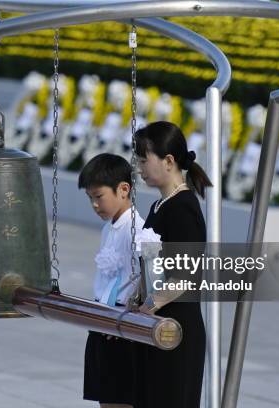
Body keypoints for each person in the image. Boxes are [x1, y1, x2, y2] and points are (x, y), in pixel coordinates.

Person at [133, 121, 211, 408]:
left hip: (176, 328)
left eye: (144, 159)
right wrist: (138, 297)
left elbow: (186, 276)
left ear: (168, 161)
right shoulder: (159, 206)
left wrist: (150, 303)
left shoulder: (184, 208)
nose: (139, 167)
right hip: (156, 324)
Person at [78, 153, 145, 408]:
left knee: (121, 400)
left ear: (123, 190)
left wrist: (129, 314)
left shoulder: (137, 229)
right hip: (103, 320)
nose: (95, 205)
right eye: (90, 198)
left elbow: (149, 275)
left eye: (99, 196)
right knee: (107, 400)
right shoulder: (108, 227)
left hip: (121, 325)